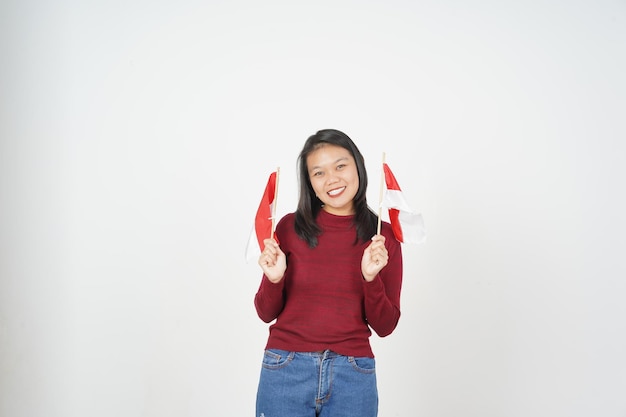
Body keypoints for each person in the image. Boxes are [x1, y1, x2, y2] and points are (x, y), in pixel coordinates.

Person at [254, 128, 403, 417]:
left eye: (340, 166)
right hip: (286, 369)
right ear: (309, 182)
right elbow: (264, 311)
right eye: (318, 173)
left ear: (357, 165)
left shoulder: (381, 238)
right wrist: (275, 279)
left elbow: (385, 326)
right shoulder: (288, 227)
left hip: (353, 374)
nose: (332, 179)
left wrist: (370, 279)